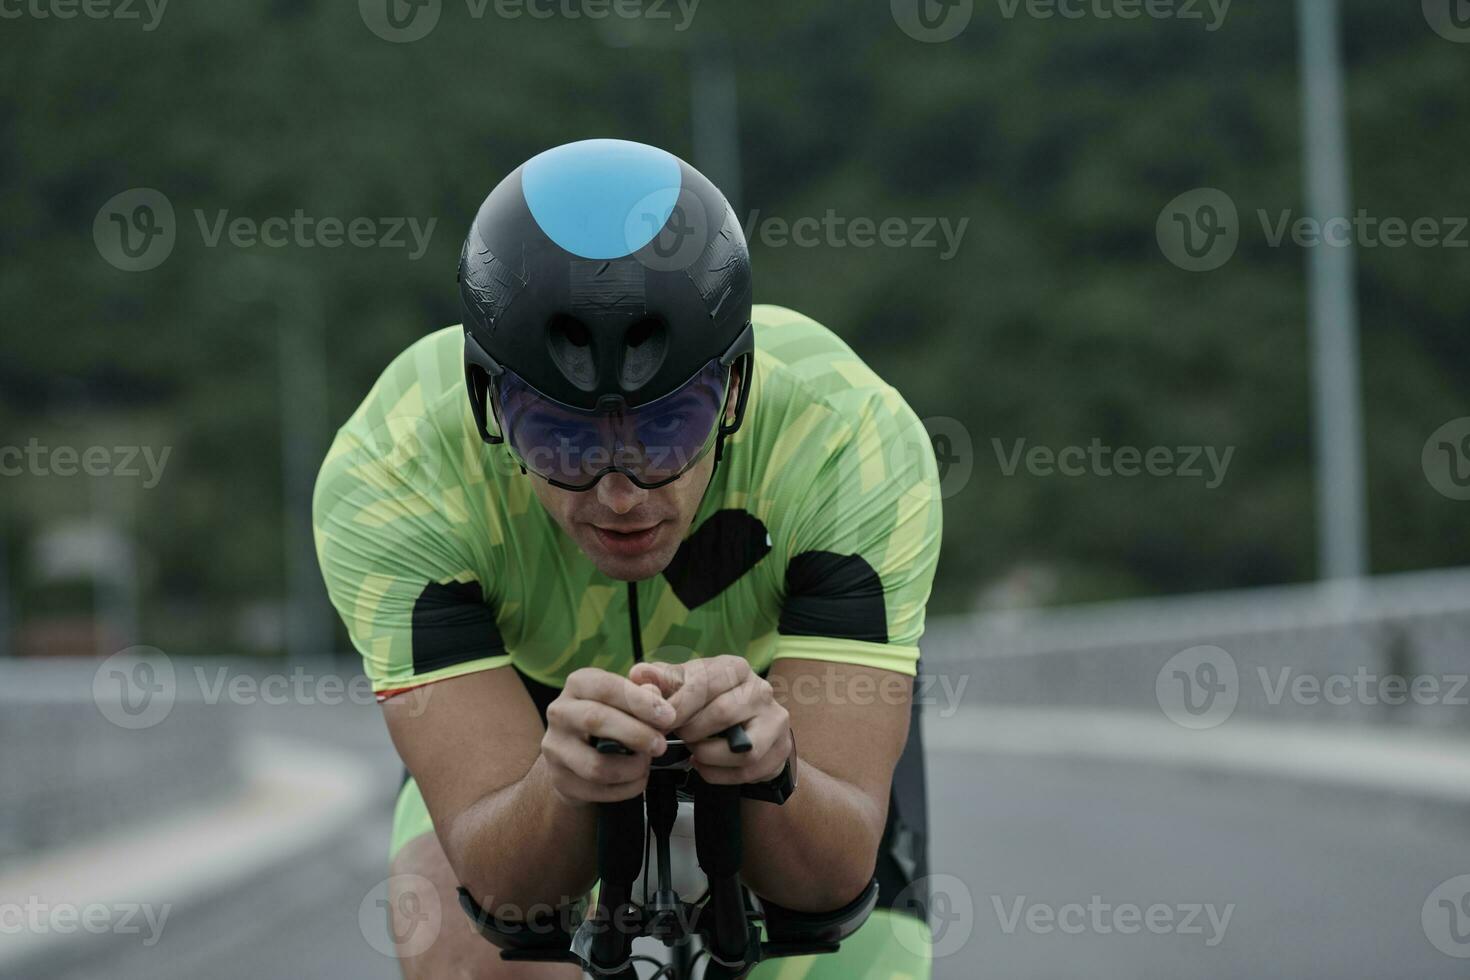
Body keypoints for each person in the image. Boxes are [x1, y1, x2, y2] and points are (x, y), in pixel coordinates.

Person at [313, 138, 943, 978]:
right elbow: (507, 891)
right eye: (563, 438)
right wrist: (559, 787)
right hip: (526, 708)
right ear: (486, 401)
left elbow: (827, 880)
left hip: (781, 704)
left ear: (738, 390)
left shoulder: (848, 437)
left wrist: (774, 767)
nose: (621, 493)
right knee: (462, 956)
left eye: (667, 431)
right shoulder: (395, 468)